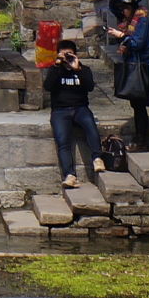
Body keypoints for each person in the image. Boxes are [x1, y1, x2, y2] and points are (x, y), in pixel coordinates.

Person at [45, 39, 101, 188]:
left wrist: (77, 69)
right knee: (63, 141)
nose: (67, 58)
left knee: (91, 127)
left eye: (70, 54)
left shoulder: (84, 70)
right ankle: (70, 175)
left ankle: (97, 158)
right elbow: (48, 86)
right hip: (60, 111)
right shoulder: (55, 70)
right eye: (64, 54)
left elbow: (89, 87)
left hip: (80, 108)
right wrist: (57, 65)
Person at [112, 0, 149, 150]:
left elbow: (137, 43)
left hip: (141, 64)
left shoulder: (142, 20)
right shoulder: (130, 22)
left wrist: (122, 36)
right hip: (132, 62)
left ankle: (141, 138)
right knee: (136, 103)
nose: (123, 12)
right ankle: (139, 136)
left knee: (140, 104)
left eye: (125, 8)